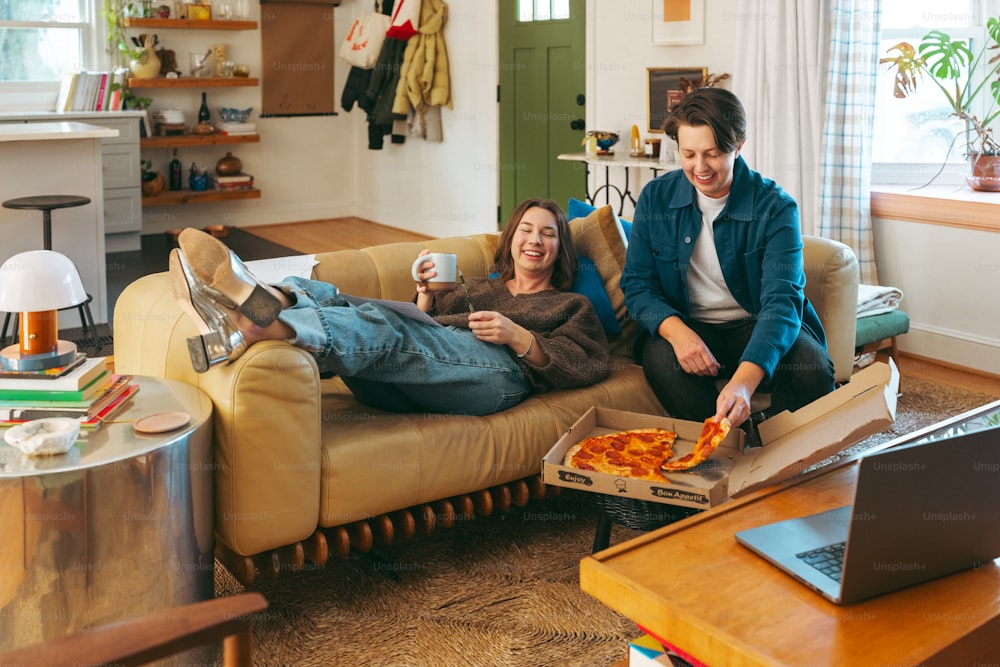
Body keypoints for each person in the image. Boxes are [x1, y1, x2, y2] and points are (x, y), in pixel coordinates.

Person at [169, 198, 611, 416]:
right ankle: (253, 313)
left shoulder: (569, 304)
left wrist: (519, 337)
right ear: (510, 239)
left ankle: (255, 317)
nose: (535, 240)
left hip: (496, 380)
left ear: (561, 248)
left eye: (548, 234)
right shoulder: (478, 286)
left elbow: (586, 365)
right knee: (331, 295)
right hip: (403, 378)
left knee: (384, 328)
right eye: (526, 230)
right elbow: (427, 328)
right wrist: (423, 296)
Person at [620, 88, 835, 436]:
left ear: (739, 146)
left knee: (812, 368)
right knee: (660, 358)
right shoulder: (656, 198)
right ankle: (730, 442)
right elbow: (637, 285)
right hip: (690, 325)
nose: (700, 168)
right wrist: (677, 334)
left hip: (755, 322)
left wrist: (744, 384)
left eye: (713, 154)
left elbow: (781, 305)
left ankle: (779, 450)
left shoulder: (776, 208)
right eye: (688, 154)